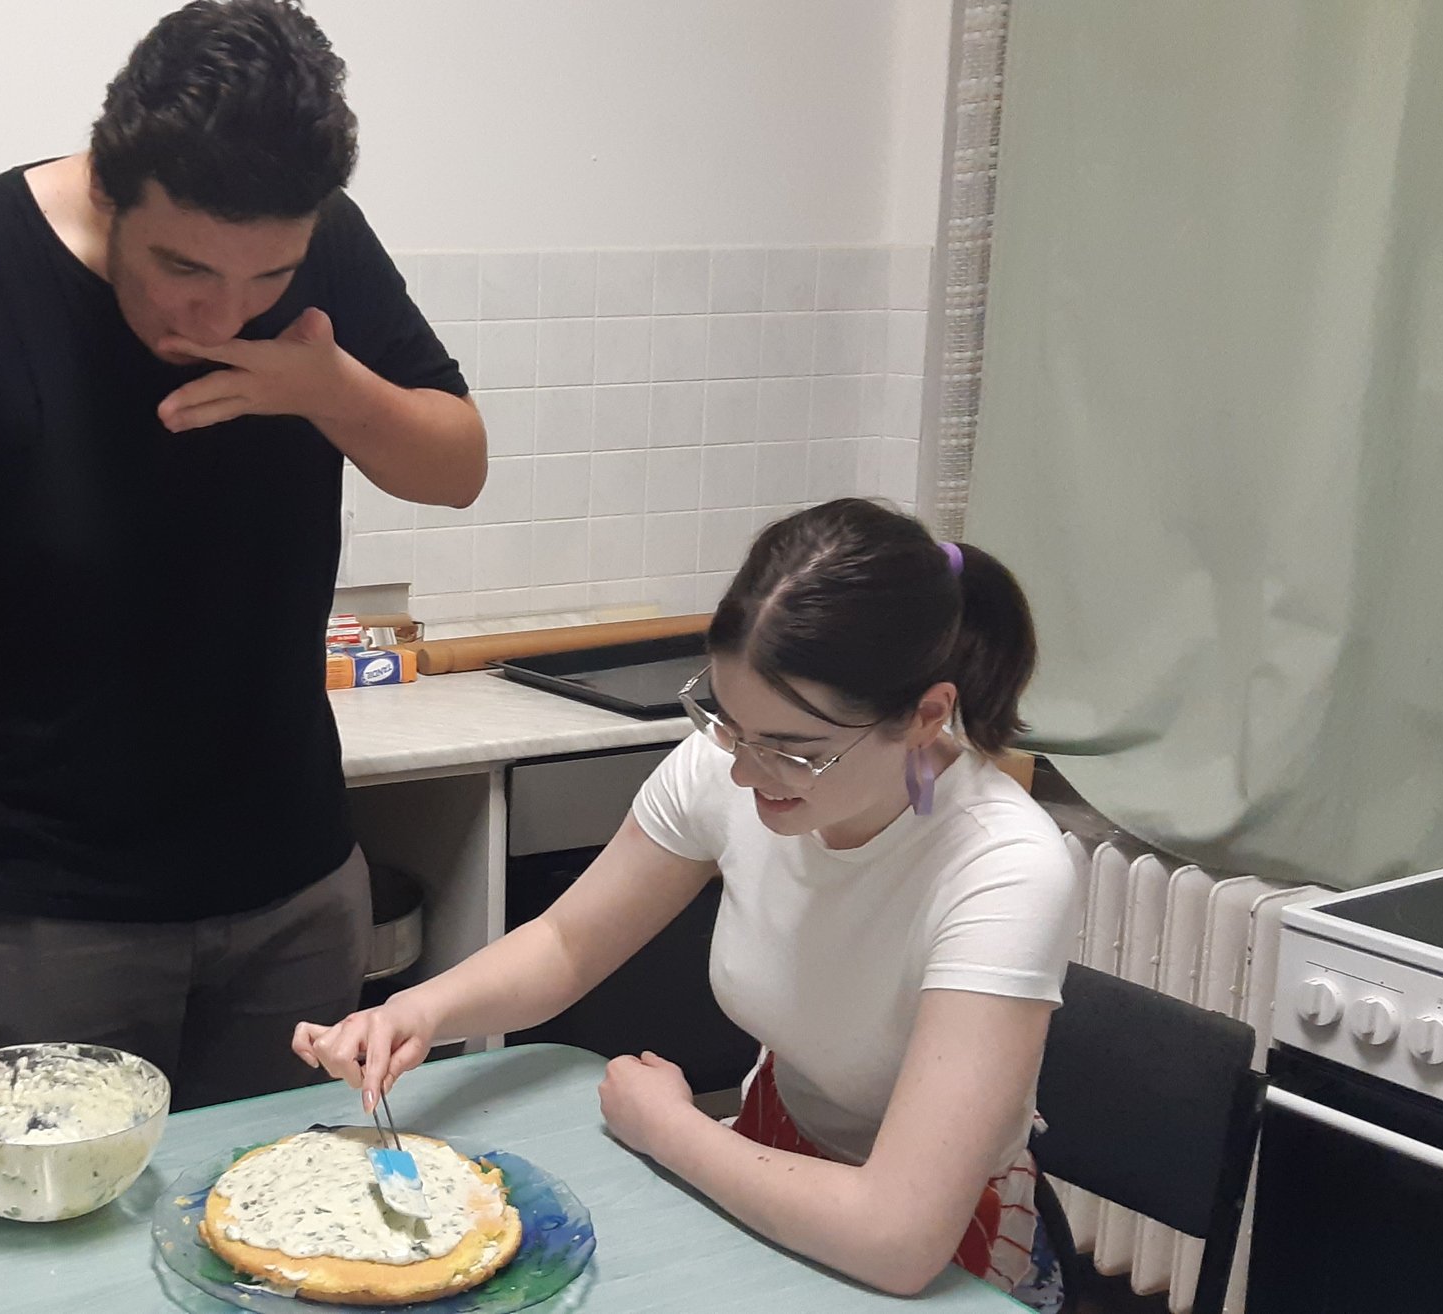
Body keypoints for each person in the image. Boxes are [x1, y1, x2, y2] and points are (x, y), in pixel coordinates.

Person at [0, 0, 486, 1147]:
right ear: (110, 186)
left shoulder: (327, 249)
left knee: (284, 1217)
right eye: (183, 268)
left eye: (266, 279)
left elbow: (456, 463)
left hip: (295, 891)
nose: (220, 314)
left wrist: (331, 390)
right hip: (38, 919)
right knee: (48, 1233)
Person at [296, 498, 1078, 1310]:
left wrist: (671, 1128)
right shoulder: (733, 765)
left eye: (793, 750)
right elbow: (568, 942)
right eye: (728, 723)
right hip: (770, 1159)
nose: (743, 771)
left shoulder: (1001, 867)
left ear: (925, 717)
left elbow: (898, 1236)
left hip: (937, 1245)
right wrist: (416, 1012)